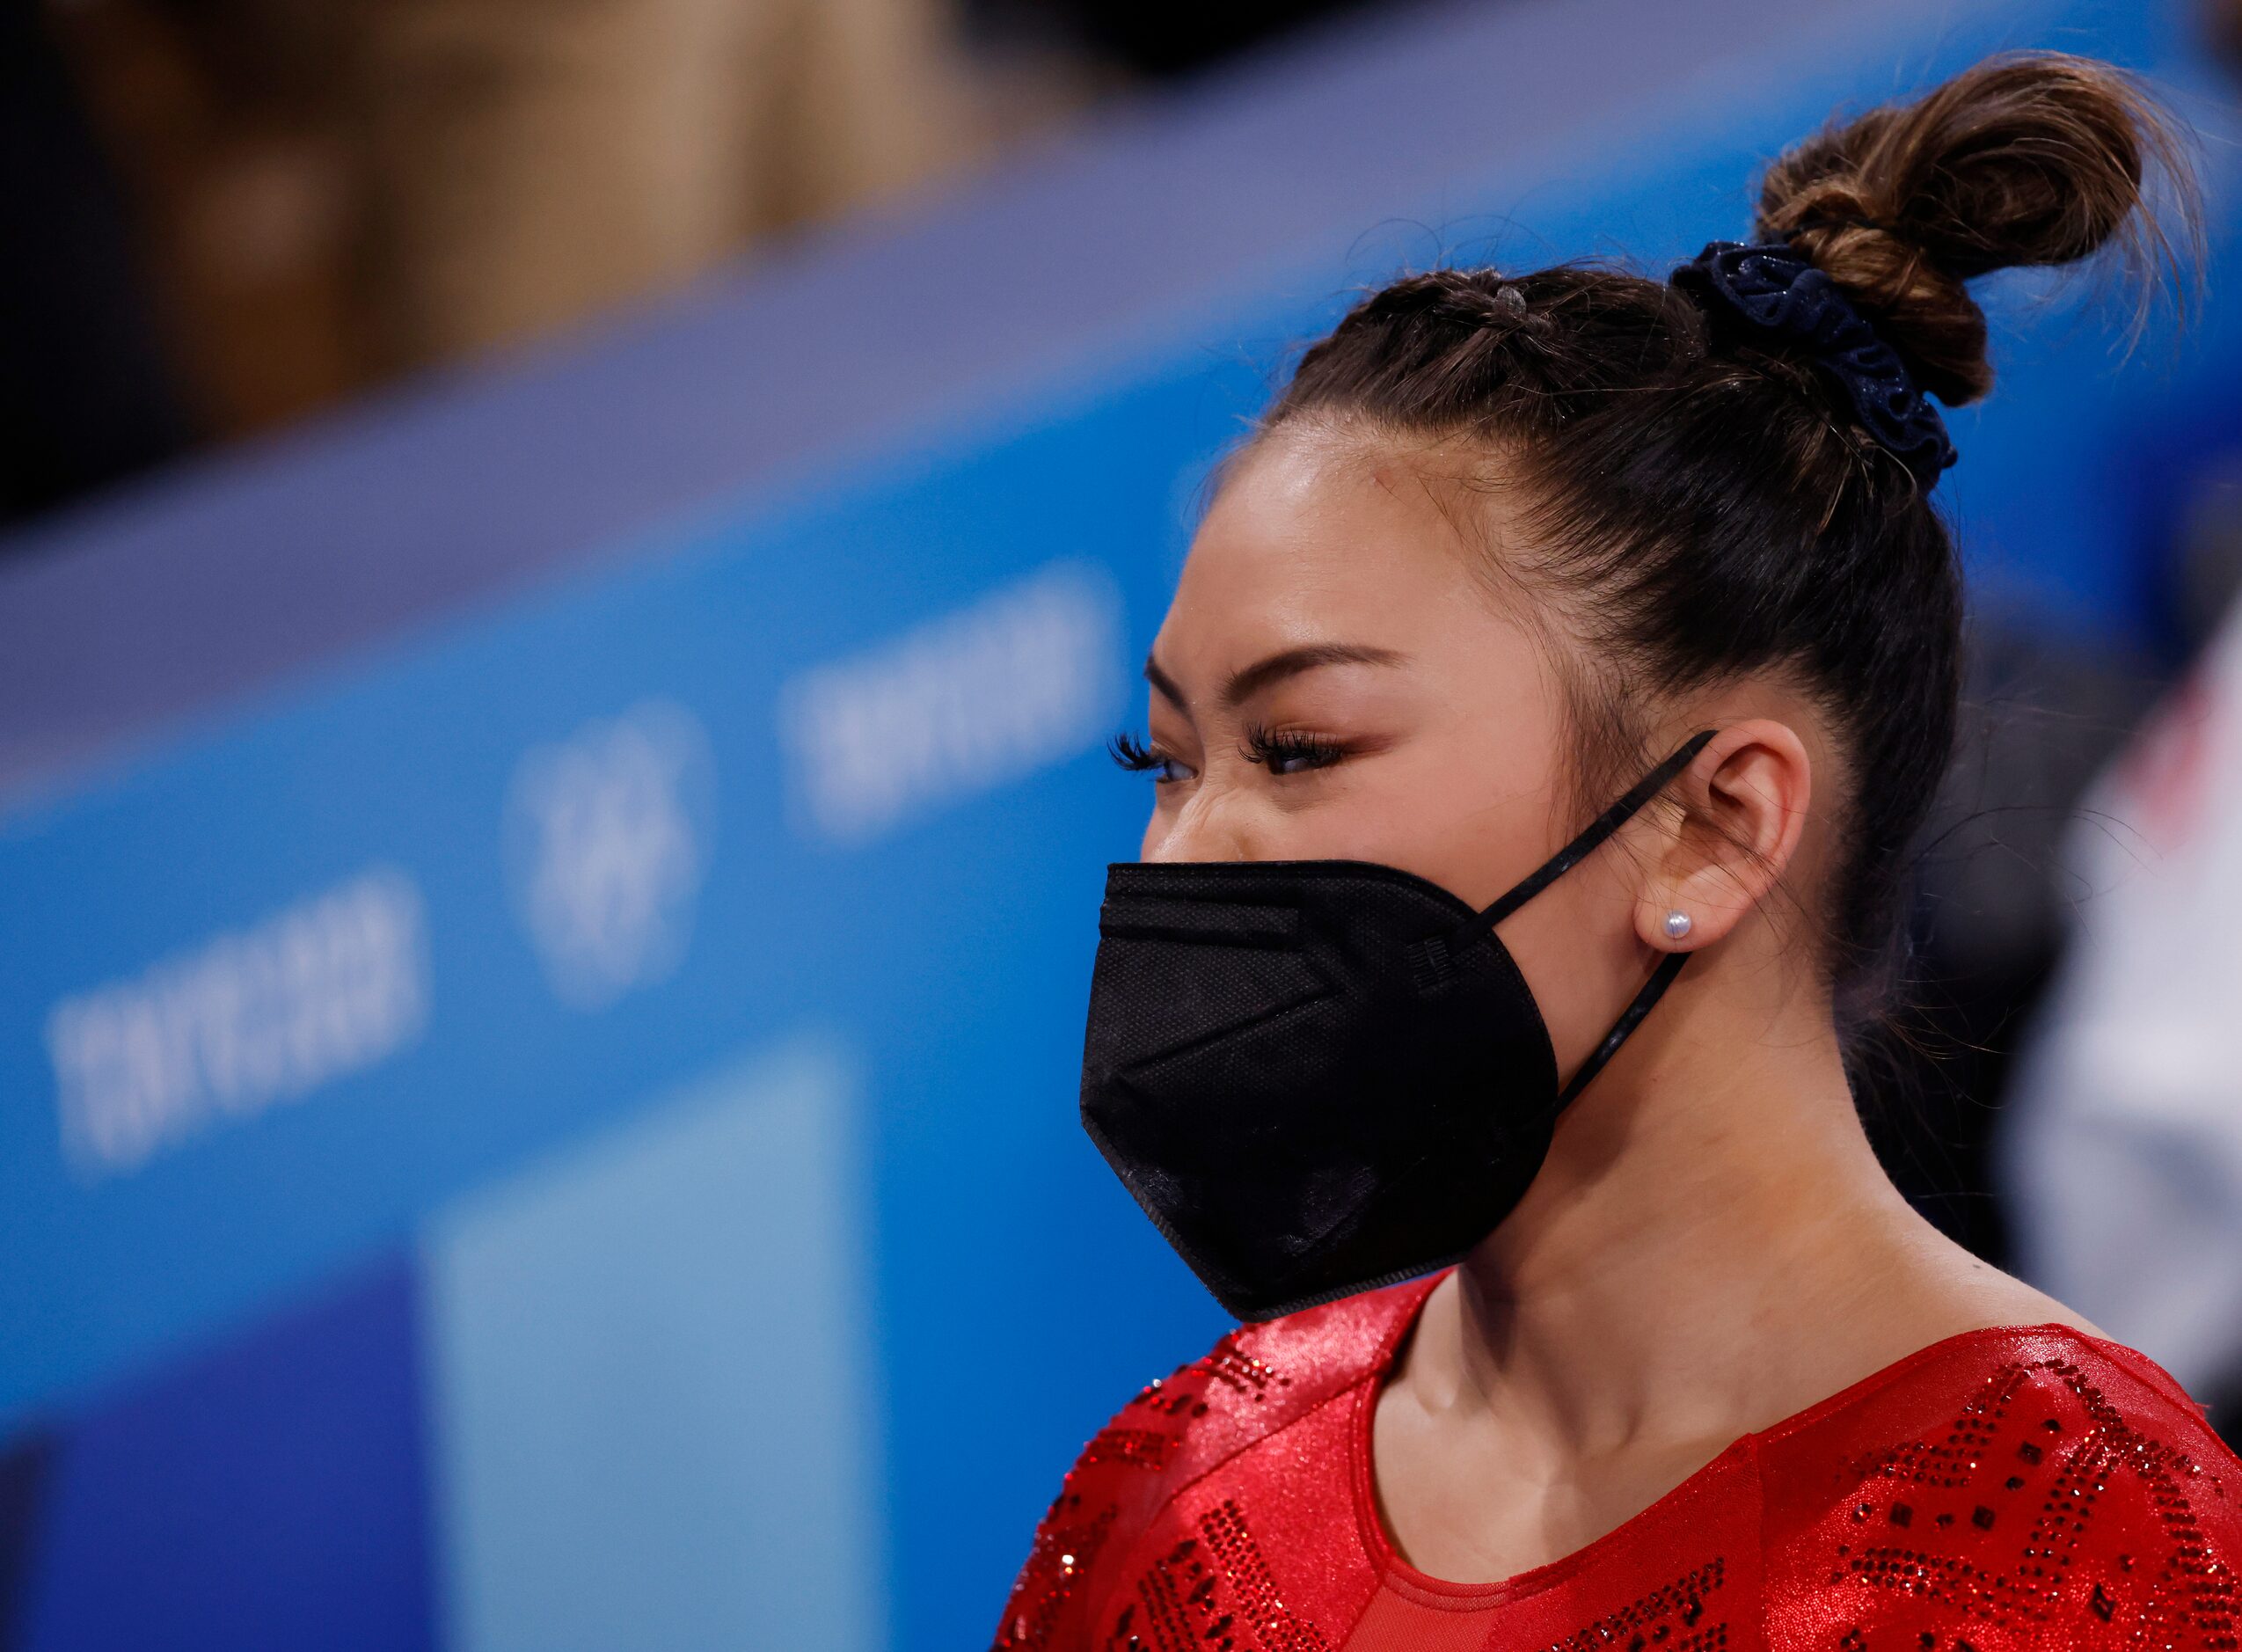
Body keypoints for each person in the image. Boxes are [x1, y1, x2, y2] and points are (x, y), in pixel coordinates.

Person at [992, 53, 2242, 1652]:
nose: (1179, 861)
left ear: (1711, 824)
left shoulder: (2066, 1556)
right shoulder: (1180, 1495)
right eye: (1159, 759)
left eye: (1298, 749)